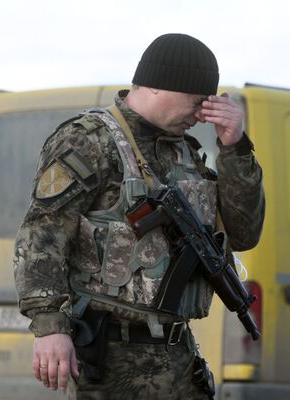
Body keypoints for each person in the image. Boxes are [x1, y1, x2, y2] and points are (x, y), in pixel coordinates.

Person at [13, 33, 265, 400]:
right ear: (162, 87)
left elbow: (244, 234)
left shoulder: (186, 153)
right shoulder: (89, 140)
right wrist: (50, 326)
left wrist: (236, 147)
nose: (199, 117)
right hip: (111, 361)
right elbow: (42, 235)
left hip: (179, 359)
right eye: (196, 103)